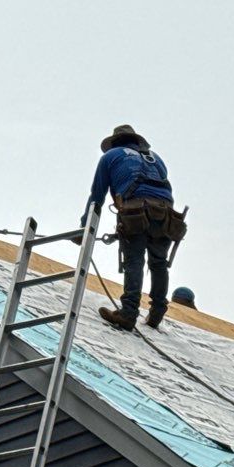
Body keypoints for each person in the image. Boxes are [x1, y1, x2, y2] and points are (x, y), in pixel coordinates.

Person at [84, 124, 186, 331]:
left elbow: (97, 196)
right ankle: (157, 313)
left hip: (135, 212)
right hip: (165, 214)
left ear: (115, 142)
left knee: (134, 260)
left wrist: (84, 227)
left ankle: (128, 313)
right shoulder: (155, 158)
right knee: (158, 263)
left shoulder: (111, 156)